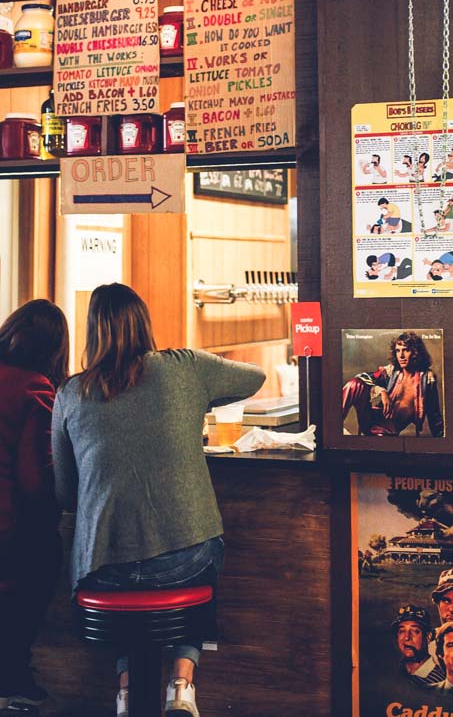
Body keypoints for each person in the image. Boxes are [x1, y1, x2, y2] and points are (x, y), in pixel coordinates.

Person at [51, 283, 265, 717]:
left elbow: (65, 494)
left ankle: (127, 691)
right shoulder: (184, 367)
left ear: (92, 331)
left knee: (126, 571)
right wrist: (198, 395)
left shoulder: (70, 394)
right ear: (144, 324)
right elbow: (254, 378)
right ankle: (181, 684)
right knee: (197, 552)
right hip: (185, 561)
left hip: (102, 570)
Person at [0, 300, 69, 711]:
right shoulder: (35, 388)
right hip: (8, 528)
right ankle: (14, 677)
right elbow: (34, 478)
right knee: (46, 555)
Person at [341, 331, 444, 437]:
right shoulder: (391, 372)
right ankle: (334, 424)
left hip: (386, 430)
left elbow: (434, 416)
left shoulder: (427, 380)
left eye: (406, 350)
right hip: (370, 418)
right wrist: (382, 391)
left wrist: (443, 442)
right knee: (355, 384)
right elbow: (361, 377)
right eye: (398, 351)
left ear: (415, 352)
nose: (401, 356)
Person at [390, 605, 442, 685]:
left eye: (415, 631)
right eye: (402, 631)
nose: (407, 638)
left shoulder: (439, 682)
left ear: (428, 637)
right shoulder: (393, 672)